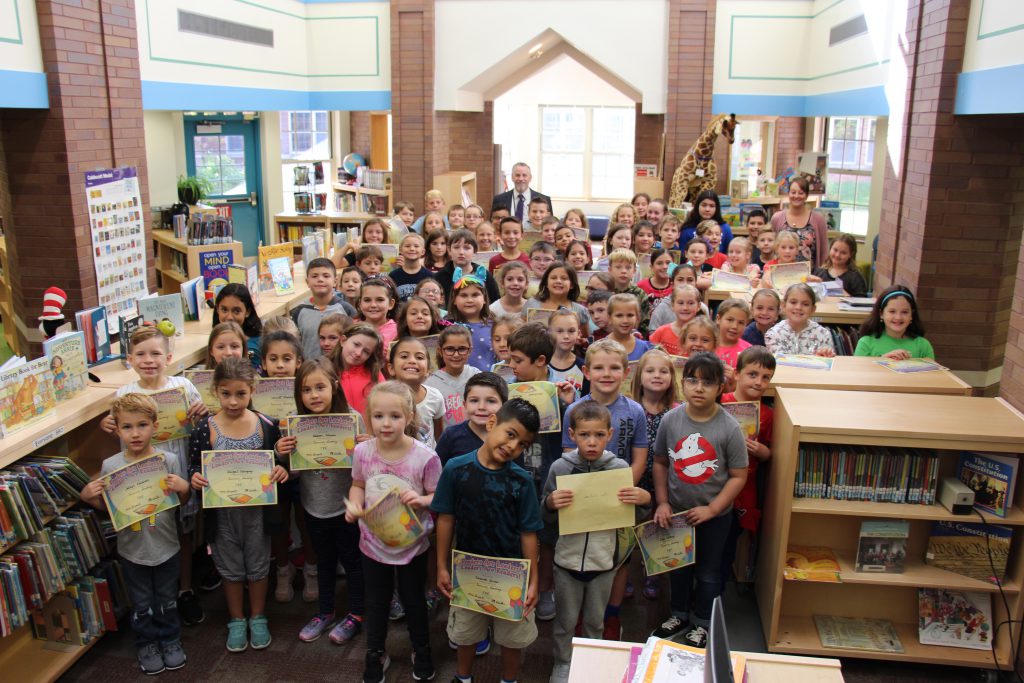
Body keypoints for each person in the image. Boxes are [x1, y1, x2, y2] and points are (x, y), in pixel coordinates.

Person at [99, 326, 207, 627]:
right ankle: (153, 598)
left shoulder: (183, 386)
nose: (149, 360)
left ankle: (184, 589)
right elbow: (119, 432)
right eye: (141, 354)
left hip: (175, 467)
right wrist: (106, 425)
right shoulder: (124, 394)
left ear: (168, 357)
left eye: (156, 353)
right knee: (148, 529)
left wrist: (201, 412)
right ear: (130, 360)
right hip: (140, 478)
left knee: (180, 532)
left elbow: (201, 425)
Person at [432, 399, 544, 683]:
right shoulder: (456, 469)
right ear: (492, 423)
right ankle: (463, 677)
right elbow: (445, 518)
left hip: (511, 575)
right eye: (510, 433)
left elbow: (529, 532)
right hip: (468, 570)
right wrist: (442, 566)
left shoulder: (522, 481)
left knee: (512, 636)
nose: (513, 446)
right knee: (466, 633)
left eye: (522, 444)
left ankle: (509, 679)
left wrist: (533, 580)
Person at [82, 393, 192, 675]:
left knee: (167, 598)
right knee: (142, 603)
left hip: (166, 545)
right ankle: (147, 643)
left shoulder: (167, 460)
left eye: (142, 425)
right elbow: (111, 511)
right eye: (127, 427)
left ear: (155, 426)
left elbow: (179, 504)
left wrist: (184, 488)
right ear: (117, 430)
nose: (135, 433)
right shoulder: (110, 466)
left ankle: (170, 640)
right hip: (132, 550)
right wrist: (89, 497)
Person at [543, 401, 651, 683]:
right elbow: (543, 514)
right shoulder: (560, 467)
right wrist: (550, 504)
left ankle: (591, 665)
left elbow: (631, 513)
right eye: (584, 435)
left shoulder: (619, 467)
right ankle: (563, 663)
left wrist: (645, 500)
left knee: (595, 621)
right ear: (572, 434)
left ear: (610, 434)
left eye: (599, 435)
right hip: (566, 560)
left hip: (604, 562)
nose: (592, 442)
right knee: (565, 622)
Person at [188, 358, 289, 653]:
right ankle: (236, 619)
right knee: (230, 566)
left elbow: (278, 461)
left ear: (252, 390)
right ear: (215, 392)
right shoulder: (203, 429)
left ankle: (258, 616)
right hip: (221, 516)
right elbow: (194, 466)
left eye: (240, 394)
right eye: (225, 394)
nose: (233, 401)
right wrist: (194, 478)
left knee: (258, 564)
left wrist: (281, 470)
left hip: (258, 512)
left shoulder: (267, 425)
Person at [346, 381, 442, 683]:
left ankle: (421, 648)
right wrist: (354, 504)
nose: (386, 424)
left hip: (412, 544)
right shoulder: (362, 451)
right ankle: (375, 652)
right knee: (377, 601)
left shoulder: (425, 457)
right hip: (373, 542)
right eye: (378, 416)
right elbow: (359, 484)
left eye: (395, 416)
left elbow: (437, 496)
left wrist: (423, 500)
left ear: (409, 416)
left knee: (414, 600)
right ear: (368, 417)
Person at [650, 352, 747, 648]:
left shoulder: (729, 427)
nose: (699, 388)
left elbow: (738, 476)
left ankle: (703, 621)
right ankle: (678, 614)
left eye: (708, 382)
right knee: (678, 568)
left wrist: (713, 509)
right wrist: (663, 502)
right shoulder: (671, 419)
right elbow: (660, 463)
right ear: (683, 383)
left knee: (708, 572)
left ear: (721, 387)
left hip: (715, 518)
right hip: (678, 513)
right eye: (692, 380)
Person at [274, 358, 367, 647]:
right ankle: (325, 612)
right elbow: (293, 471)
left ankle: (356, 614)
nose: (314, 395)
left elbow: (365, 471)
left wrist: (366, 447)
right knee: (323, 561)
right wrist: (280, 452)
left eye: (320, 387)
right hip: (313, 506)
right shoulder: (293, 422)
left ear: (334, 387)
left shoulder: (352, 418)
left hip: (346, 507)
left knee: (352, 561)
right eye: (306, 390)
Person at [561, 339, 649, 640]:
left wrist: (621, 489)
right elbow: (567, 456)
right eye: (598, 367)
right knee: (583, 553)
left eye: (614, 368)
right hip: (582, 498)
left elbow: (640, 458)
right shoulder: (574, 409)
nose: (606, 374)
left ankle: (610, 614)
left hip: (620, 497)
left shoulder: (635, 411)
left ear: (626, 372)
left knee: (618, 556)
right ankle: (580, 615)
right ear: (586, 371)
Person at [505, 323, 577, 624]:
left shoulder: (561, 396)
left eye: (517, 360)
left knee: (547, 540)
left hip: (546, 480)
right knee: (513, 535)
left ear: (541, 362)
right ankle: (514, 584)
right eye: (510, 359)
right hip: (515, 477)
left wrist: (567, 406)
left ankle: (545, 588)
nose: (512, 366)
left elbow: (571, 441)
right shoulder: (507, 392)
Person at [259, 330, 317, 605]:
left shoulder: (308, 391)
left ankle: (312, 569)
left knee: (306, 520)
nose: (280, 365)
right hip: (272, 471)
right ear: (264, 363)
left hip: (305, 472)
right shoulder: (256, 396)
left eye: (286, 359)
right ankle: (283, 569)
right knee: (279, 522)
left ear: (298, 361)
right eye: (273, 359)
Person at [721, 347, 775, 586]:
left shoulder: (769, 414)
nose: (759, 382)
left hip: (745, 487)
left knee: (729, 540)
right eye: (752, 374)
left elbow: (771, 452)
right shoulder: (720, 403)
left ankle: (720, 585)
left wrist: (762, 451)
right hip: (715, 481)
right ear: (736, 374)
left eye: (766, 377)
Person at [630, 350, 679, 601]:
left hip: (665, 479)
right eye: (650, 371)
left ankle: (654, 572)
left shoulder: (678, 410)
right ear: (639, 376)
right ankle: (625, 573)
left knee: (659, 525)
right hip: (635, 476)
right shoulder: (631, 408)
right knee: (630, 525)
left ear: (672, 377)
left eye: (663, 371)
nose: (657, 376)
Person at [434, 371, 508, 465]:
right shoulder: (450, 436)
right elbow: (437, 472)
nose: (481, 407)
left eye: (491, 401)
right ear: (465, 405)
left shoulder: (510, 437)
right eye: (474, 400)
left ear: (504, 405)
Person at [290, 257, 357, 360]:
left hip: (339, 368)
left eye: (326, 276)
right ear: (307, 282)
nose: (320, 279)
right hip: (309, 368)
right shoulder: (299, 312)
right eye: (314, 276)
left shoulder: (346, 309)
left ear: (335, 282)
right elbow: (295, 344)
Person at [389, 337, 444, 449]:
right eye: (404, 356)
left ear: (428, 370)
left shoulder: (435, 397)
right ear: (391, 368)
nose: (412, 361)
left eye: (419, 357)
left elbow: (439, 437)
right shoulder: (383, 399)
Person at [854, 285, 935, 359]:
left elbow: (933, 374)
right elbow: (858, 373)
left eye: (905, 312)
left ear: (911, 315)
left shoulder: (923, 346)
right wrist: (883, 360)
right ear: (881, 314)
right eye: (892, 311)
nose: (898, 317)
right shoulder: (866, 343)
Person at [425, 325, 481, 430]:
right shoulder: (430, 384)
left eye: (462, 349)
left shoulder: (477, 377)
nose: (456, 355)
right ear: (440, 351)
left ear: (469, 351)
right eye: (450, 349)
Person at [770, 176, 828, 269]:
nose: (796, 196)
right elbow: (772, 248)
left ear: (806, 195)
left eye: (801, 193)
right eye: (793, 192)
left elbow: (824, 252)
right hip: (781, 275)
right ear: (788, 194)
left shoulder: (818, 219)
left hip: (809, 277)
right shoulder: (777, 218)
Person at [333, 322, 386, 422]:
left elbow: (385, 409)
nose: (358, 353)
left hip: (369, 435)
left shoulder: (375, 375)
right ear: (343, 340)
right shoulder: (325, 370)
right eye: (356, 345)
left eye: (366, 352)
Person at [765, 283, 836, 357]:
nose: (798, 307)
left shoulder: (823, 334)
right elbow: (779, 363)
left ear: (813, 309)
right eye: (793, 302)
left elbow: (828, 363)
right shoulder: (773, 334)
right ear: (783, 305)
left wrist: (825, 356)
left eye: (805, 304)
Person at [436, 229, 501, 305]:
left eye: (466, 248)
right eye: (456, 247)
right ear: (449, 250)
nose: (461, 252)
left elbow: (495, 302)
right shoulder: (440, 277)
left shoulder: (485, 275)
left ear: (474, 251)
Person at [446, 275, 496, 373]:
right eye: (464, 295)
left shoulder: (495, 325)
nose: (469, 300)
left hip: (489, 382)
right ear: (454, 300)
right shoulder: (447, 326)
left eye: (475, 295)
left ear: (484, 299)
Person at [523, 263, 590, 329]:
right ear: (546, 283)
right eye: (553, 278)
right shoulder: (532, 303)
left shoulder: (580, 310)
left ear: (572, 285)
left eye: (564, 278)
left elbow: (585, 338)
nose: (558, 281)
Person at [213, 283, 263, 368]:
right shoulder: (215, 337)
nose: (229, 317)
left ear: (247, 312)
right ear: (217, 309)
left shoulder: (252, 348)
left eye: (236, 311)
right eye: (224, 310)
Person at [649, 284, 702, 356]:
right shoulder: (661, 333)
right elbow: (650, 355)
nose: (685, 308)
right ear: (672, 305)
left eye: (691, 303)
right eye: (680, 303)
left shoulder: (703, 334)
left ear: (698, 306)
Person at [606, 249, 651, 335]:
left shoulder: (640, 294)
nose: (623, 271)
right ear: (610, 269)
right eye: (618, 267)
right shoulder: (605, 292)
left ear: (634, 270)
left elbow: (644, 324)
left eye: (628, 267)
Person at [547, 310, 585, 395]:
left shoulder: (583, 367)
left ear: (578, 333)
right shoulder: (540, 363)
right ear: (549, 332)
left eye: (571, 331)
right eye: (560, 331)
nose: (566, 336)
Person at [607, 293, 653, 361]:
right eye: (619, 315)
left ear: (637, 318)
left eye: (630, 315)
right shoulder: (599, 349)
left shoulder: (645, 348)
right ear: (609, 318)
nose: (625, 321)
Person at [357, 276, 399, 350]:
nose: (373, 305)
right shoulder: (353, 328)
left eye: (380, 300)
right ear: (360, 303)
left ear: (391, 304)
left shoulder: (397, 331)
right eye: (367, 300)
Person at [389, 233, 432, 301]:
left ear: (423, 251)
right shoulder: (393, 276)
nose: (412, 249)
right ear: (400, 250)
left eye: (416, 246)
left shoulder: (429, 276)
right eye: (407, 246)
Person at [715, 298, 752, 368]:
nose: (735, 326)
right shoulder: (706, 345)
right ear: (718, 319)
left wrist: (735, 378)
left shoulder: (749, 352)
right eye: (730, 320)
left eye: (741, 322)